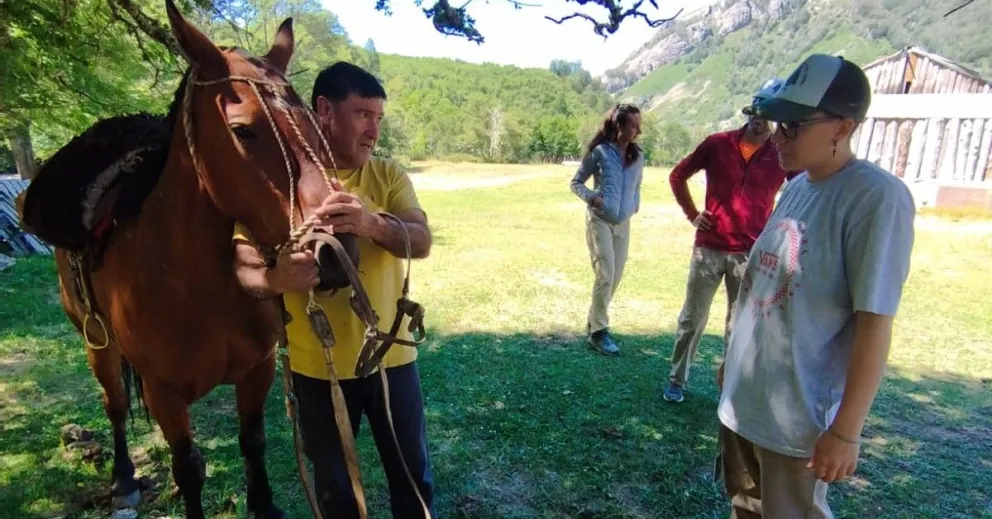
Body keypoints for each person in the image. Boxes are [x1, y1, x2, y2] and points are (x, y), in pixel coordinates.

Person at [232, 61, 436, 518]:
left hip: (392, 361)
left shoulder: (386, 176)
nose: (374, 132)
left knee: (413, 481)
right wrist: (275, 279)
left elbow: (420, 241)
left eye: (379, 119)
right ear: (324, 109)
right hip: (315, 373)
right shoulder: (275, 186)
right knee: (336, 493)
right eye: (364, 114)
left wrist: (371, 223)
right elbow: (243, 267)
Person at [717, 54, 915, 518]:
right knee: (745, 509)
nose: (777, 137)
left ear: (842, 128)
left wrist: (845, 431)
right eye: (776, 123)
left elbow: (874, 322)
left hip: (797, 420)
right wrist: (734, 360)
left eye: (792, 126)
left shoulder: (875, 198)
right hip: (749, 403)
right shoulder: (799, 185)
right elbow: (762, 286)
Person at [663, 78, 799, 403]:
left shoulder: (781, 154)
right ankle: (676, 379)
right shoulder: (718, 143)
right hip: (709, 248)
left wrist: (778, 228)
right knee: (692, 318)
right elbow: (678, 175)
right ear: (749, 111)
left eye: (767, 115)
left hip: (750, 254)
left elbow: (802, 190)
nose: (759, 119)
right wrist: (693, 213)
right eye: (756, 111)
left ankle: (730, 385)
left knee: (738, 324)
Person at [570, 103, 644, 356]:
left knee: (616, 276)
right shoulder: (600, 152)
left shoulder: (638, 156)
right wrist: (593, 198)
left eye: (638, 125)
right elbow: (576, 182)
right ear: (618, 125)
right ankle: (599, 332)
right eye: (632, 125)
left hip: (624, 224)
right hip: (599, 220)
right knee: (606, 274)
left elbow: (637, 186)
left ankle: (594, 321)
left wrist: (635, 205)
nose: (637, 130)